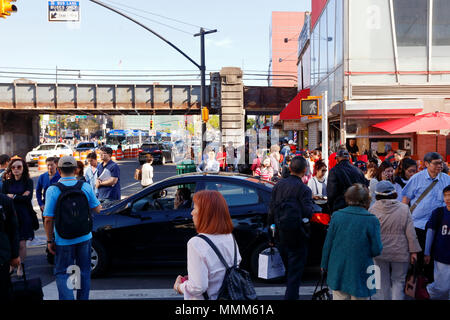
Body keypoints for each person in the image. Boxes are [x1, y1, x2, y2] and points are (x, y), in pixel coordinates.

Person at [43, 156, 101, 300]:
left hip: (63, 239)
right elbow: (98, 209)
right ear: (76, 170)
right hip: (84, 236)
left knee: (63, 272)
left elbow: (48, 219)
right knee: (83, 272)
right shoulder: (85, 186)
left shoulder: (53, 190)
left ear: (58, 169)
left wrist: (50, 240)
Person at [173, 190, 241, 300]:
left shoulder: (196, 243)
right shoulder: (229, 236)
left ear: (205, 214)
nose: (192, 212)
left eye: (195, 208)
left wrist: (179, 287)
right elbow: (226, 270)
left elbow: (198, 287)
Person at [320, 184, 383, 300]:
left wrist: (324, 265)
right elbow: (376, 249)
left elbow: (328, 244)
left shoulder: (337, 216)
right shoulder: (371, 219)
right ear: (366, 200)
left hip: (338, 269)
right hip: (361, 269)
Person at [267, 156, 314, 300]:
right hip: (297, 235)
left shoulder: (278, 186)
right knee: (295, 275)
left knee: (288, 270)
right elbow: (308, 212)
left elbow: (271, 211)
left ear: (290, 168)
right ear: (305, 170)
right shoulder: (304, 189)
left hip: (280, 233)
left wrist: (271, 236)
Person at [368, 181, 421, 300]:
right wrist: (414, 251)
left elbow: (369, 233)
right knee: (399, 281)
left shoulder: (372, 210)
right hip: (400, 251)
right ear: (394, 193)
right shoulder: (404, 209)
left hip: (379, 252)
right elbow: (411, 233)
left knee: (381, 283)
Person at [402, 152, 450, 282]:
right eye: (436, 163)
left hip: (438, 227)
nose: (440, 165)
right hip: (418, 225)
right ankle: (415, 285)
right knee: (418, 258)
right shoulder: (417, 178)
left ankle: (431, 285)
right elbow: (405, 199)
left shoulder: (446, 179)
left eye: (441, 163)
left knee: (434, 257)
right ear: (427, 164)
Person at [1, 157, 35, 278]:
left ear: (23, 168)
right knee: (10, 241)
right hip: (9, 215)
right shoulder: (6, 183)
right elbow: (4, 198)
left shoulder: (28, 182)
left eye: (19, 167)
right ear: (10, 169)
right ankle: (12, 264)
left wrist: (13, 196)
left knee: (21, 244)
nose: (16, 169)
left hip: (24, 215)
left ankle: (20, 265)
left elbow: (27, 199)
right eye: (13, 167)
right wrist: (20, 196)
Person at [424, 185, 450, 300]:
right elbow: (430, 233)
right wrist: (427, 252)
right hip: (442, 256)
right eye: (445, 195)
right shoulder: (439, 213)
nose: (448, 199)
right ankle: (427, 293)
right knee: (442, 287)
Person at [327, 149, 367, 214]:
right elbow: (365, 190)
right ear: (348, 158)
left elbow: (331, 193)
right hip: (357, 209)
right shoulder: (358, 171)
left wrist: (331, 209)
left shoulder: (334, 171)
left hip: (340, 209)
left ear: (337, 159)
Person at [0, 193, 20, 301]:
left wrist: (15, 254)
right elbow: (13, 229)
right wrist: (15, 255)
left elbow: (13, 229)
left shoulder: (5, 201)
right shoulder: (5, 200)